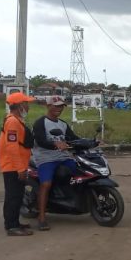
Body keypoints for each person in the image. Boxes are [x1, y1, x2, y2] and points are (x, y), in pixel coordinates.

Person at [31, 96, 82, 231]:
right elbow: (41, 141)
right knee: (46, 184)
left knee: (81, 173)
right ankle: (41, 217)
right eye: (56, 106)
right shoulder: (40, 123)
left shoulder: (63, 124)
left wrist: (92, 142)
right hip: (46, 158)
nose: (59, 109)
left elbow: (74, 138)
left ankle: (71, 200)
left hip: (63, 156)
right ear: (48, 106)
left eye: (61, 106)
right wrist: (55, 144)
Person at [0, 92, 36, 236]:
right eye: (26, 104)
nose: (28, 106)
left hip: (17, 165)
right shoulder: (12, 121)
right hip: (12, 166)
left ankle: (14, 222)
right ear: (20, 106)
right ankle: (11, 226)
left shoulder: (16, 120)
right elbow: (12, 147)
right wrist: (20, 168)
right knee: (13, 196)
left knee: (17, 195)